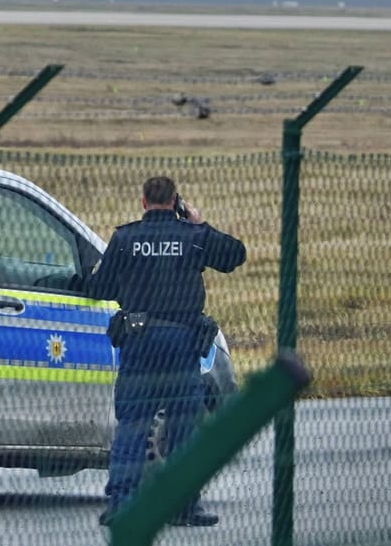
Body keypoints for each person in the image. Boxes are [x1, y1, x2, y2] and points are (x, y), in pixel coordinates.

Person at [80, 176, 245, 528]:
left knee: (133, 424)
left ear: (143, 203)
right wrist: (199, 223)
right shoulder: (194, 237)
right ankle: (185, 506)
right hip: (182, 344)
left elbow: (101, 287)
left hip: (139, 343)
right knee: (184, 426)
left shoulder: (125, 239)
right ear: (176, 203)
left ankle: (122, 503)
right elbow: (235, 256)